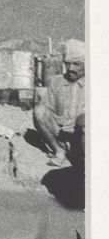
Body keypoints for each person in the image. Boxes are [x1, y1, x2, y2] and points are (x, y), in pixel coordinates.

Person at [33, 39, 86, 168]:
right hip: (61, 134)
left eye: (76, 64)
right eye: (68, 64)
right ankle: (59, 151)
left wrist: (77, 123)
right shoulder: (55, 81)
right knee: (39, 110)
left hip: (84, 136)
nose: (71, 68)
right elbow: (49, 110)